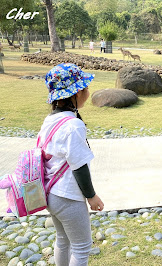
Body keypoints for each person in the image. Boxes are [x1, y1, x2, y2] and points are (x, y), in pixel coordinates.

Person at [40, 63, 104, 265]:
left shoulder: (51, 120)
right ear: (74, 94)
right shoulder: (73, 125)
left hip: (51, 193)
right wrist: (91, 196)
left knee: (63, 240)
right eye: (84, 88)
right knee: (82, 247)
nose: (87, 92)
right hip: (68, 197)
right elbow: (79, 166)